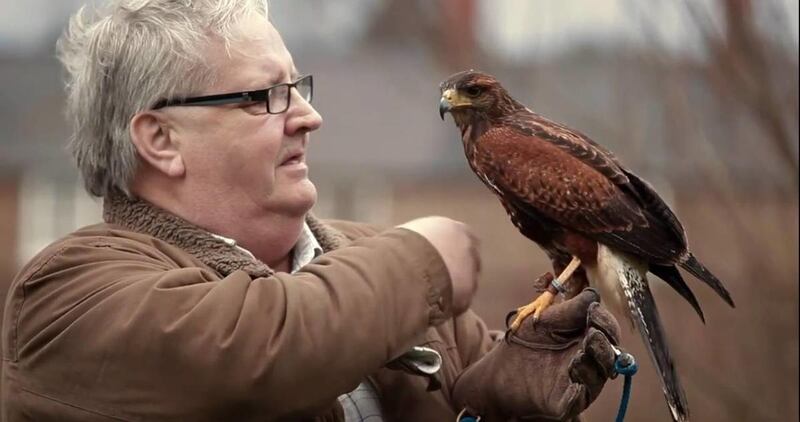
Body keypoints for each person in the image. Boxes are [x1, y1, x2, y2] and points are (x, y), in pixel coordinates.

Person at [1, 1, 623, 420]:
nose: (308, 115)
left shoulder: (369, 262)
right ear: (160, 140)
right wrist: (422, 260)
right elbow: (257, 348)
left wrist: (506, 393)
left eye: (298, 88)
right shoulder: (68, 294)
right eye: (267, 96)